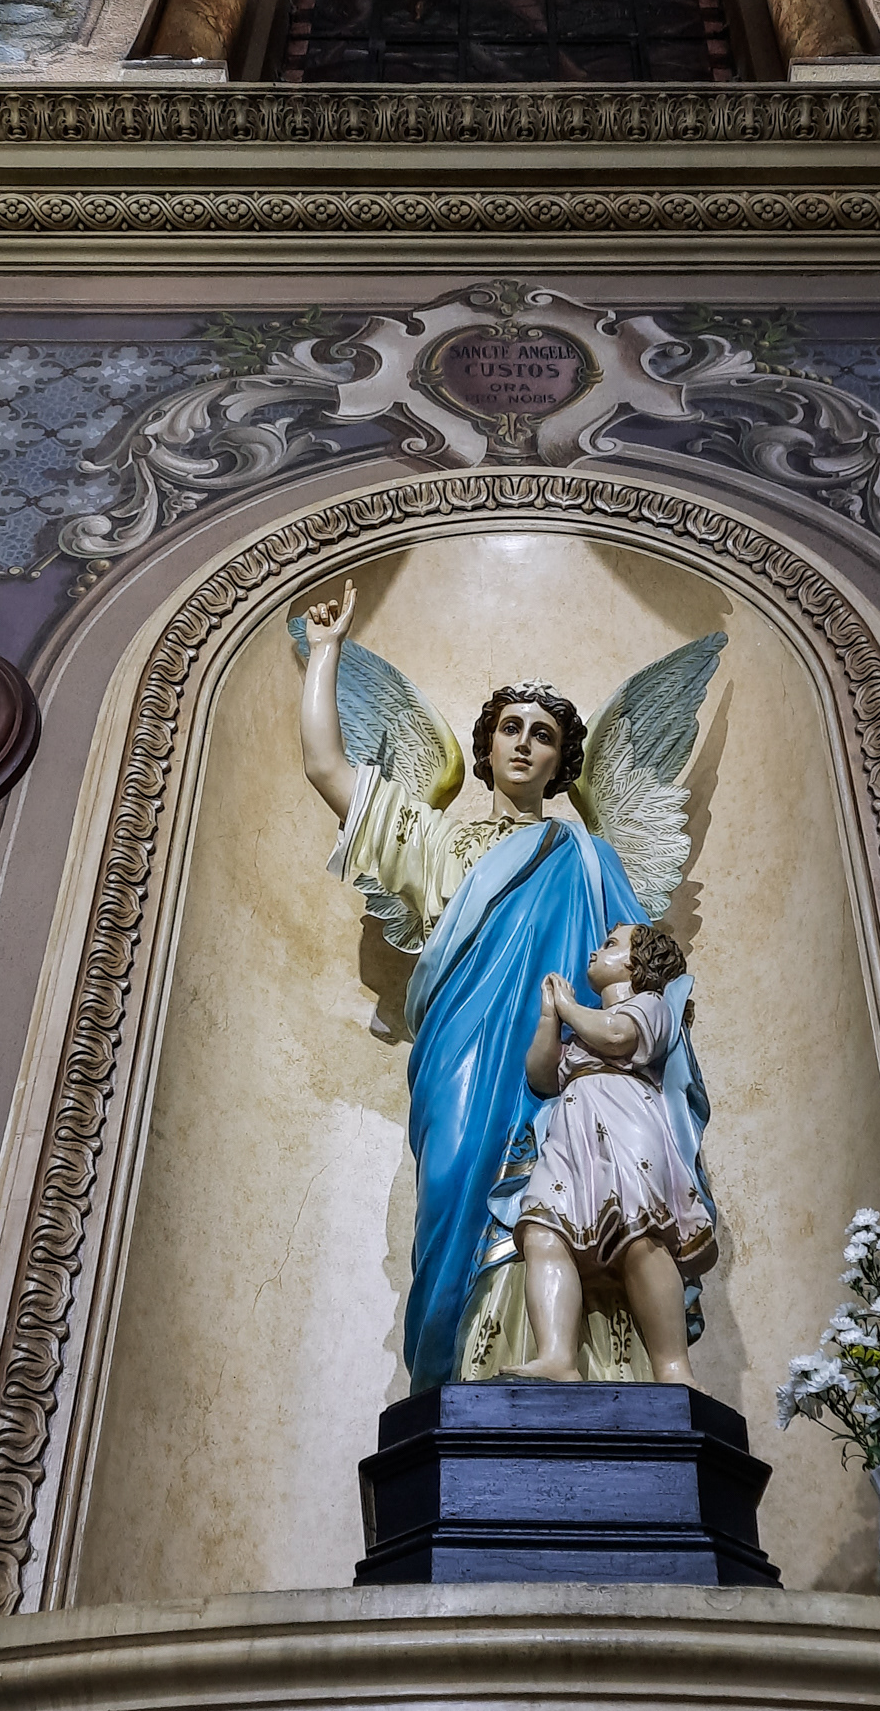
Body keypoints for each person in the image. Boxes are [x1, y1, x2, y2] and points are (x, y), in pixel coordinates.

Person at [299, 582, 713, 1393]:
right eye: (511, 729)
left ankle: (583, 1364)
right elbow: (325, 767)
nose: (524, 744)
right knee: (455, 1181)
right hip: (460, 1055)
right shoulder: (435, 844)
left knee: (576, 1199)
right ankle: (457, 1373)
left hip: (573, 1074)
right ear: (486, 746)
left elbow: (647, 979)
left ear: (562, 763)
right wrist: (324, 655)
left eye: (544, 736)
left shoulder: (587, 856)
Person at [511, 923, 715, 1387]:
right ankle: (557, 1356)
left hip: (628, 1124)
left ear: (638, 962)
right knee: (542, 1231)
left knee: (641, 1236)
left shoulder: (651, 1005)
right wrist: (549, 1017)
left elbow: (619, 1036)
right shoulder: (583, 1029)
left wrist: (569, 1007)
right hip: (572, 1136)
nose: (595, 951)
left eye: (610, 945)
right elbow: (542, 1075)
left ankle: (674, 1369)